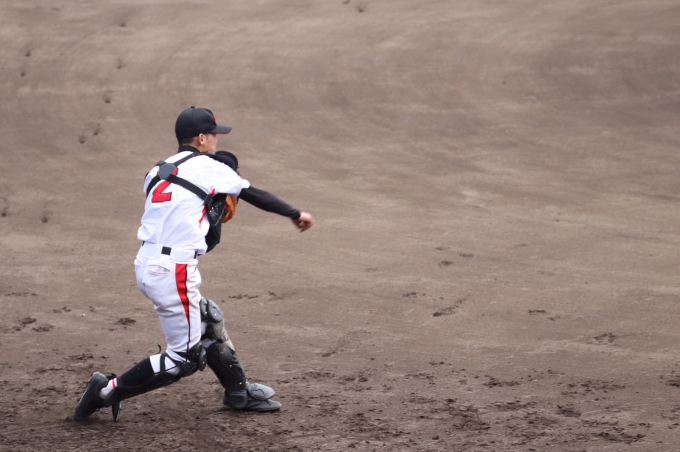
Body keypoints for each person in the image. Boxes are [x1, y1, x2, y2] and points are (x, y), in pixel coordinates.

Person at [75, 106, 315, 421]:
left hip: (146, 262)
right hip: (172, 269)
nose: (216, 141)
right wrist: (295, 214)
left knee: (208, 320)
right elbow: (254, 194)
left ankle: (238, 392)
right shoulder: (208, 167)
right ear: (201, 138)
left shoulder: (156, 171)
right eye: (214, 135)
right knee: (184, 359)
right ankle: (105, 392)